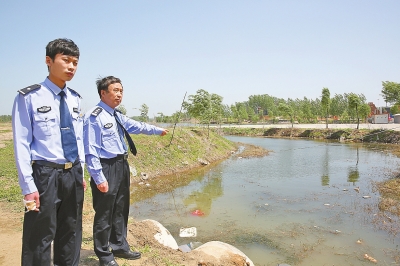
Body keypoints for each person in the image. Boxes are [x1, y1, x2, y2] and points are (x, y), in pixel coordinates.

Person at [12, 38, 86, 266]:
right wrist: (28, 186)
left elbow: (78, 138)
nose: (71, 66)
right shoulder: (29, 97)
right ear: (48, 60)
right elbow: (21, 143)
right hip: (45, 175)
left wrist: (80, 171)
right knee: (39, 235)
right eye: (66, 60)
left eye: (75, 62)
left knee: (71, 231)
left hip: (72, 173)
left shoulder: (75, 98)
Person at [83, 76, 168, 266]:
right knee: (105, 212)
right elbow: (90, 151)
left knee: (121, 209)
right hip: (106, 167)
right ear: (103, 93)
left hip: (121, 165)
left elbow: (136, 126)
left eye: (121, 91)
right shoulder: (94, 116)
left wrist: (157, 130)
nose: (119, 94)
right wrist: (98, 177)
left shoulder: (116, 115)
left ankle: (120, 246)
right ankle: (104, 254)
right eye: (115, 90)